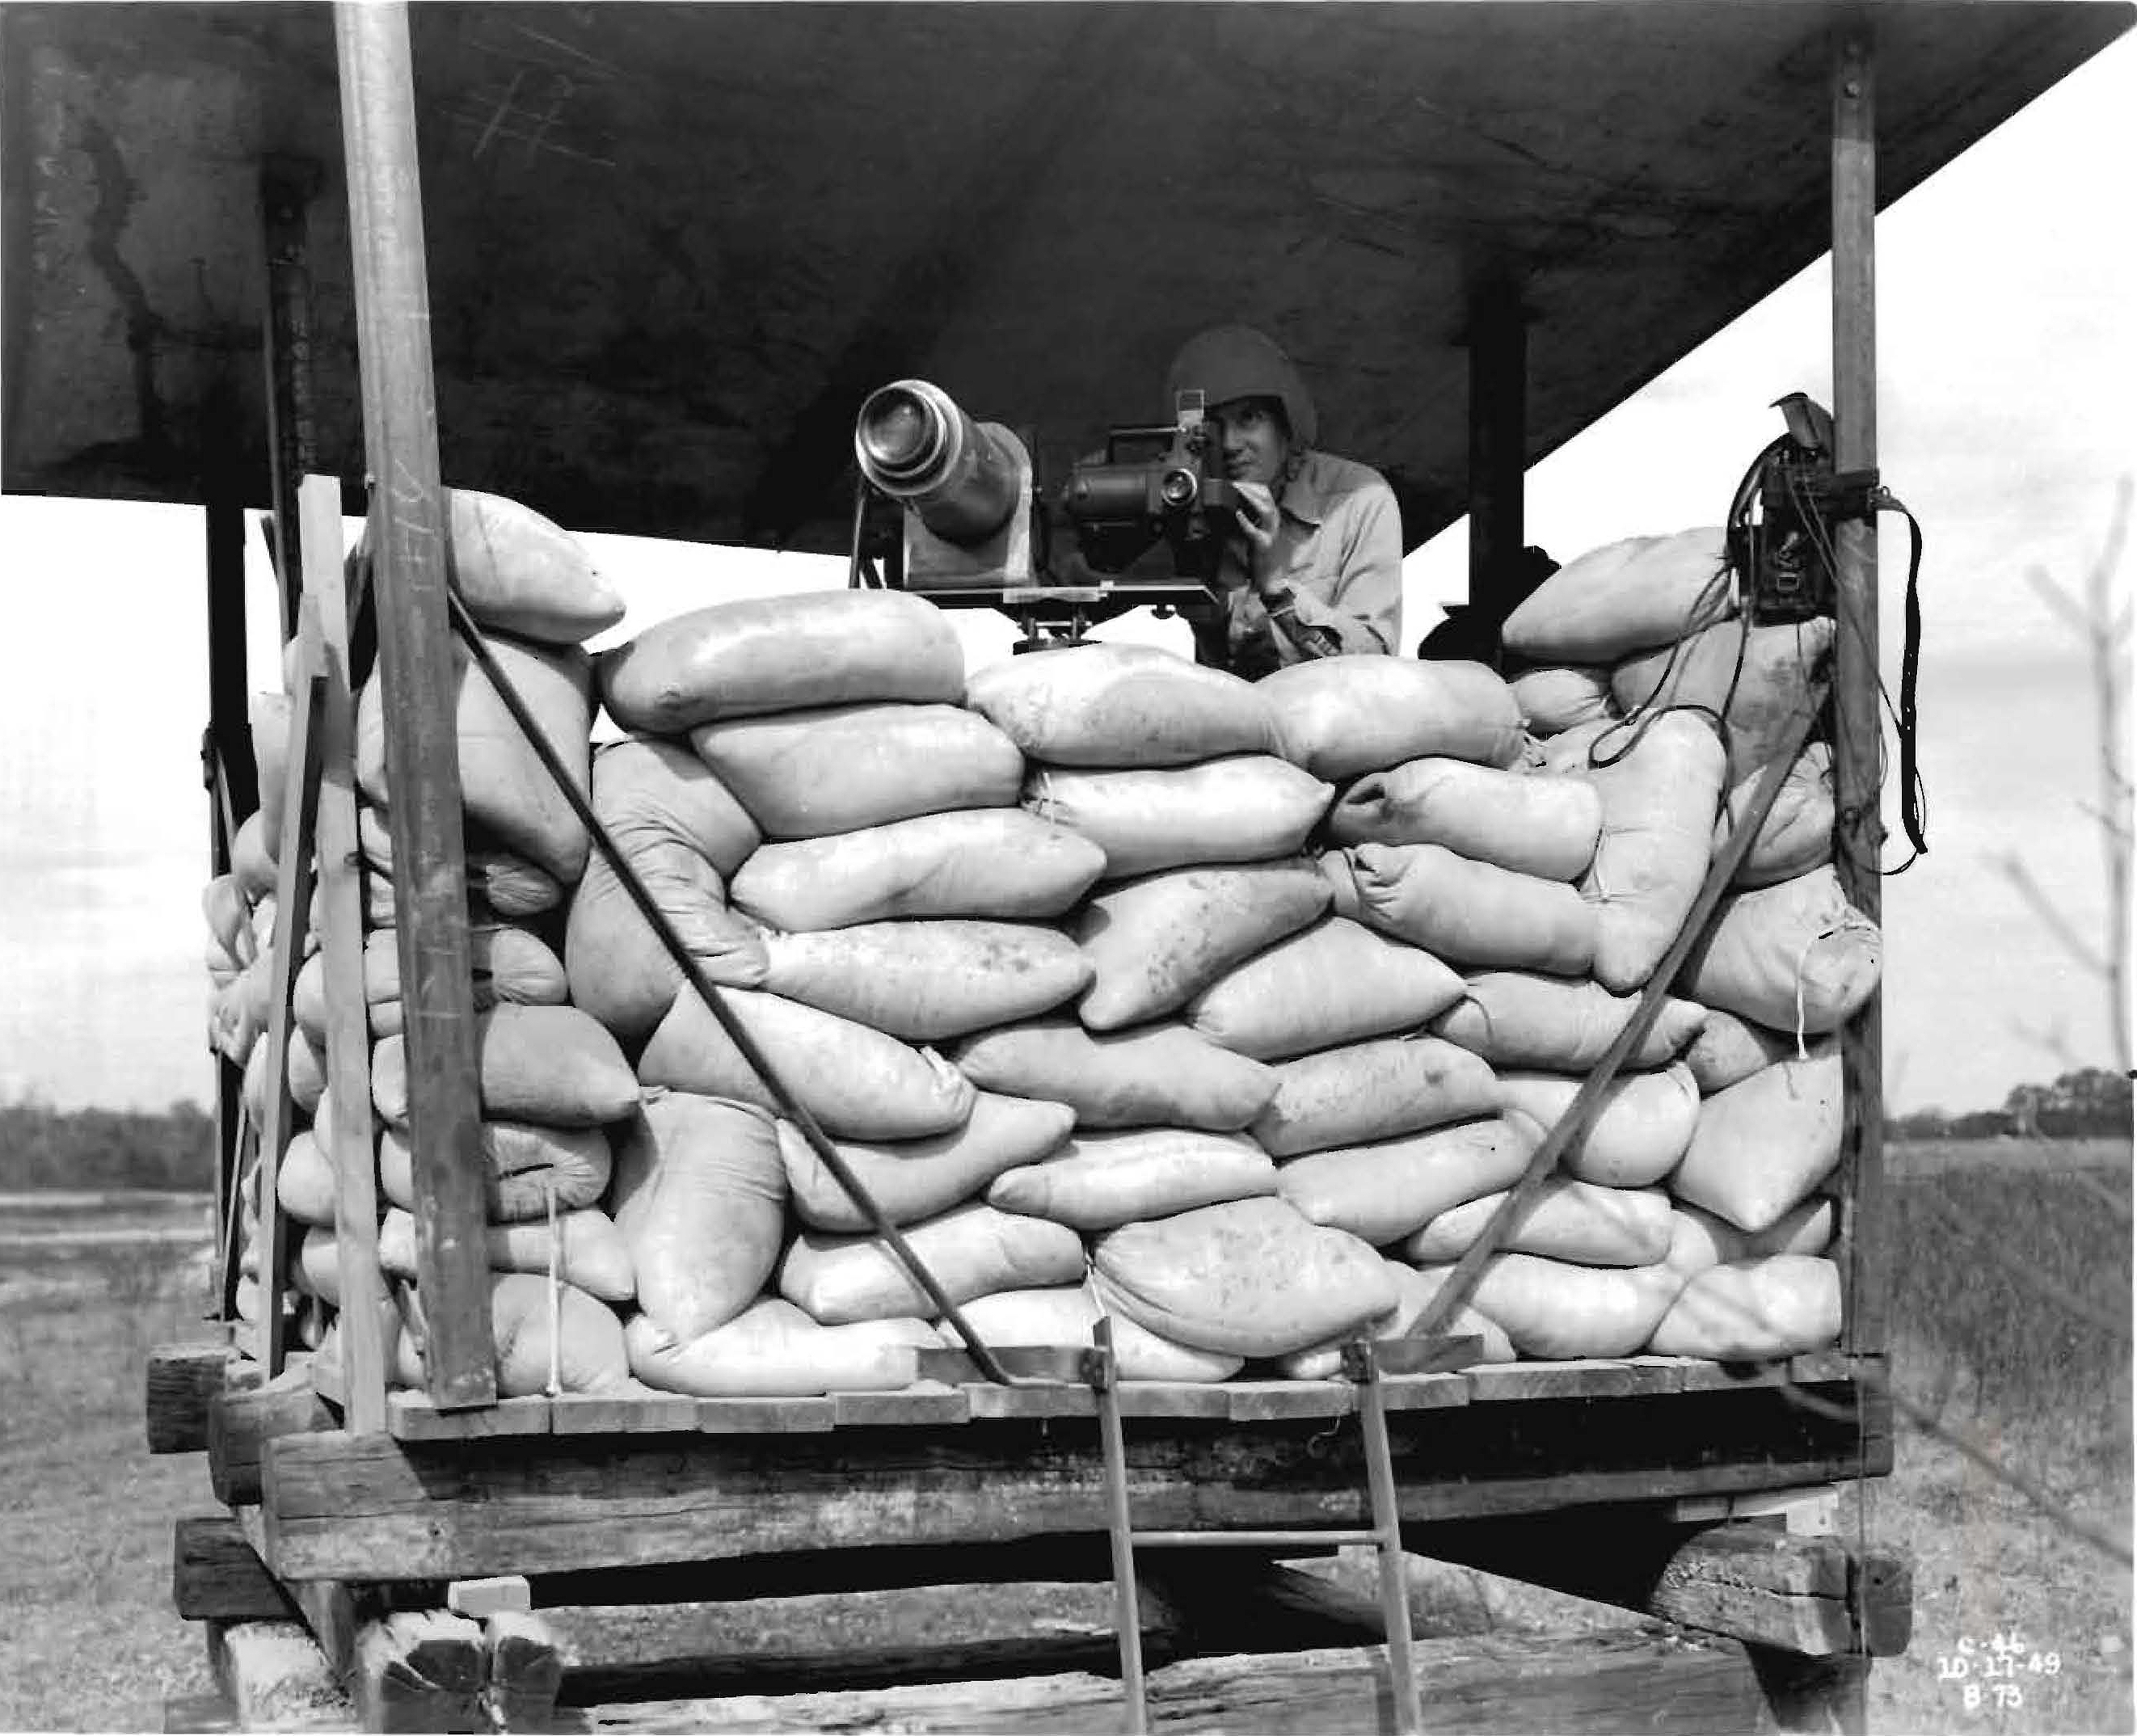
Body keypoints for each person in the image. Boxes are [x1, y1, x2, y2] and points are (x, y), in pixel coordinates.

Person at [1161, 325, 1403, 680]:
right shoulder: (1188, 501)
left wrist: (1277, 587)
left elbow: (1374, 665)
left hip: (1334, 722)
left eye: (1249, 419)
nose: (1229, 444)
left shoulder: (1359, 499)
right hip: (1236, 720)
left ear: (1285, 425)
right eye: (1213, 427)